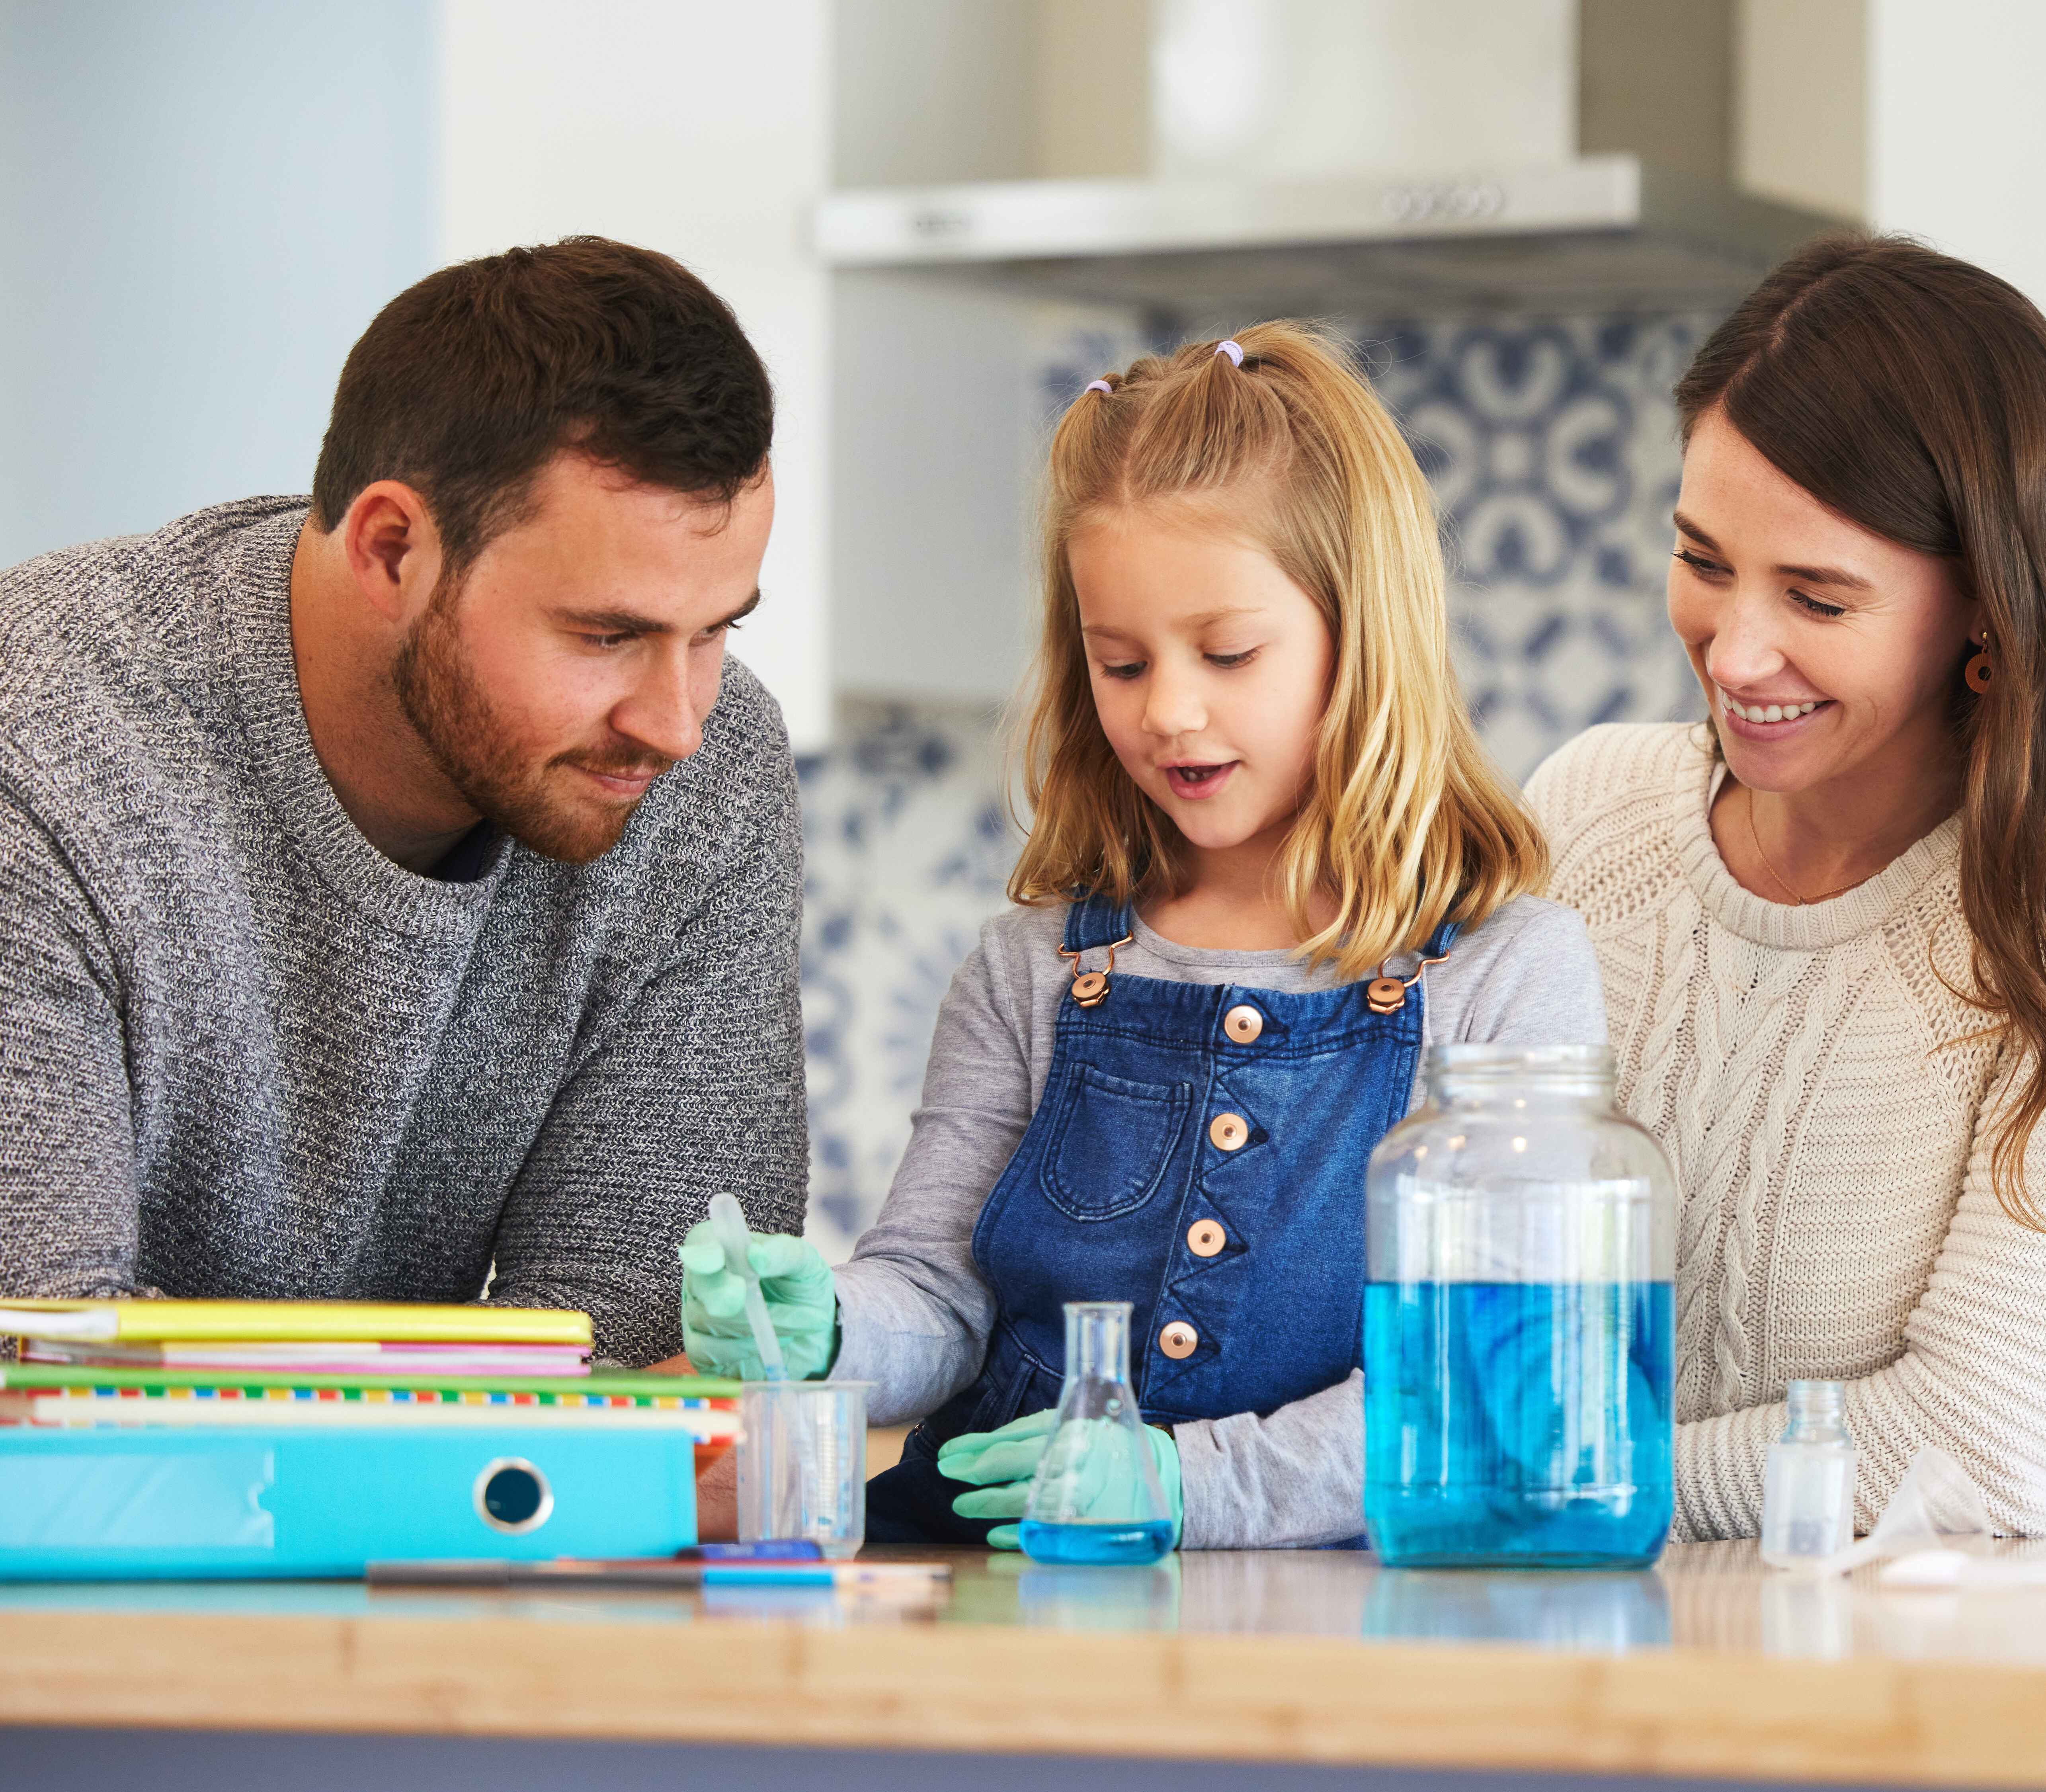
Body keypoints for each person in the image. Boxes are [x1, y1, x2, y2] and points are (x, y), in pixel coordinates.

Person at [681, 323, 1603, 1549]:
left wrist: (1190, 1485)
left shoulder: (1506, 977)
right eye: (1120, 663)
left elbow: (1480, 1397)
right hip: (989, 1578)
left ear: (1362, 635)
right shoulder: (1034, 969)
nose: (1169, 709)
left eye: (1227, 652)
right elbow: (936, 1295)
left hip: (1324, 1619)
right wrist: (829, 1327)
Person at [0, 237, 806, 1367]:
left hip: (425, 1542)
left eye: (718, 628)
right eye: (607, 635)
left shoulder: (710, 767)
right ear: (391, 548)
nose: (676, 720)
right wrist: (522, 1421)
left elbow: (641, 1346)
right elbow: (9, 1366)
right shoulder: (3, 758)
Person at [1526, 235, 2046, 1539]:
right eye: (1702, 562)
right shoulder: (1587, 812)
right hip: (1525, 1646)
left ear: (1985, 603)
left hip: (1875, 1697)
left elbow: (1970, 1451)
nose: (1737, 649)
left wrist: (1524, 1484)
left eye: (1817, 598)